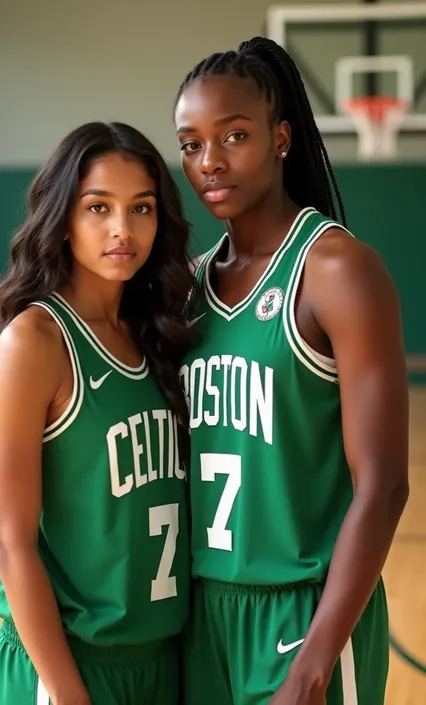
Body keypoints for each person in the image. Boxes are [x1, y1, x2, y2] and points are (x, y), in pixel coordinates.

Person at [173, 37, 409, 705]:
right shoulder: (187, 288)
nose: (210, 161)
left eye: (234, 135)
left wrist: (315, 660)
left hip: (304, 618)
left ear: (281, 139)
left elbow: (385, 486)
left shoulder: (336, 270)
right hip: (203, 615)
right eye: (191, 144)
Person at [0, 121, 196, 705]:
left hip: (158, 659)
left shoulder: (157, 336)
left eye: (141, 208)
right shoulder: (38, 342)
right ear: (63, 219)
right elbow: (9, 541)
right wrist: (70, 696)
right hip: (67, 669)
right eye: (99, 207)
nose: (123, 229)